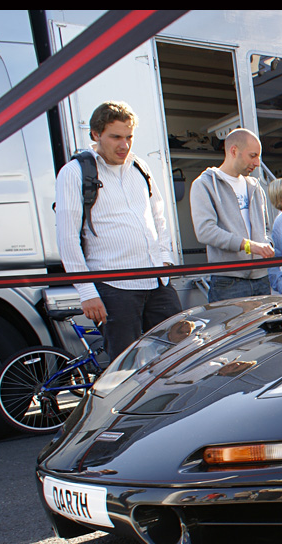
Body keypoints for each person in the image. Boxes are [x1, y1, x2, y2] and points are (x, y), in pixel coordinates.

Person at [55, 100, 182, 362]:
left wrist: (165, 259)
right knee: (124, 366)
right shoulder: (75, 172)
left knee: (179, 355)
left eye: (129, 137)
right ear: (95, 135)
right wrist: (88, 293)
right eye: (115, 137)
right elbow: (67, 239)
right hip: (114, 286)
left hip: (158, 280)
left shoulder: (140, 167)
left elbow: (159, 216)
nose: (124, 145)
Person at [190, 128, 275, 301]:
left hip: (261, 278)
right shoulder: (204, 184)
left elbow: (266, 227)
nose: (257, 162)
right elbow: (205, 231)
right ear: (234, 151)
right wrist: (250, 246)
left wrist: (266, 243)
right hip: (228, 281)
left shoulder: (255, 186)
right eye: (253, 156)